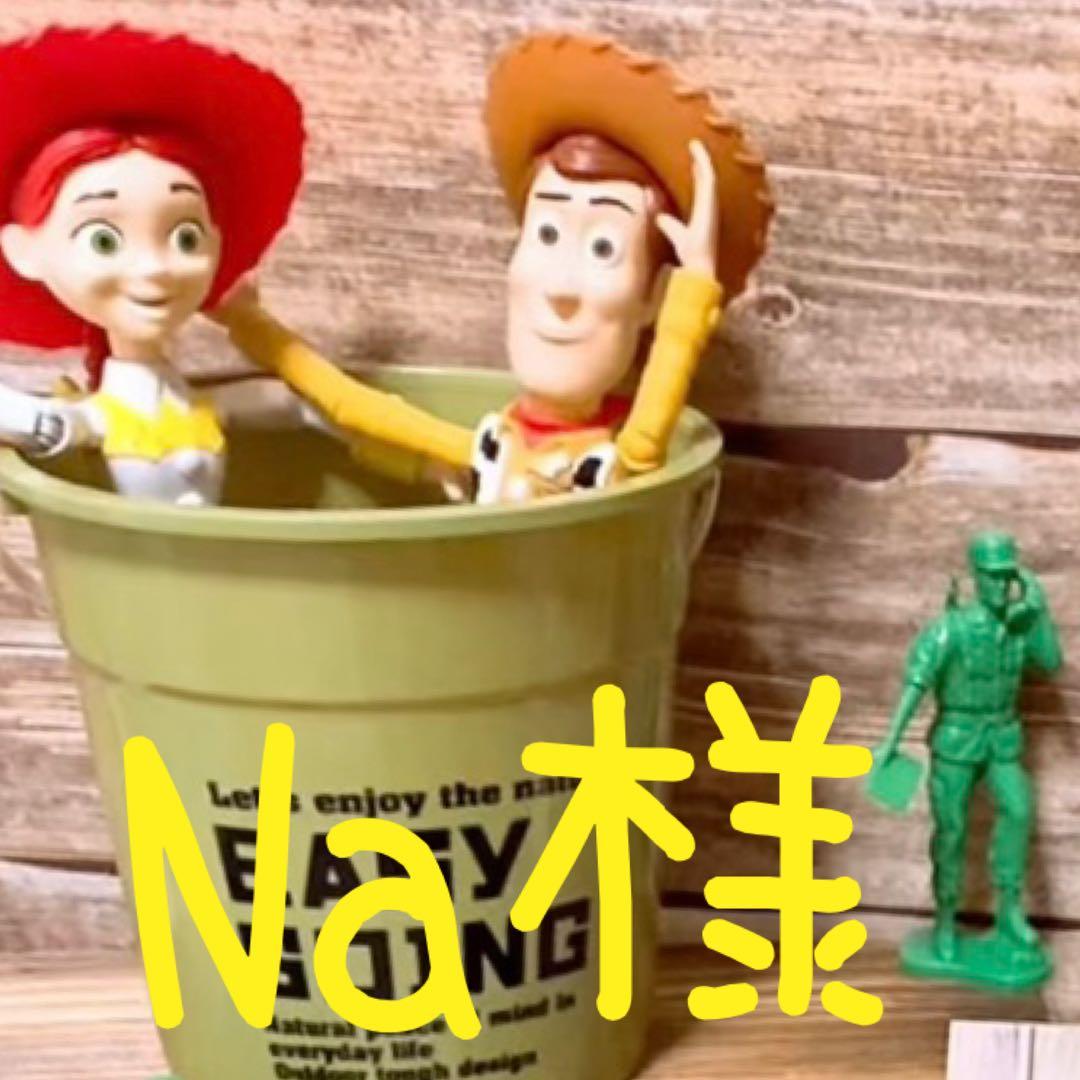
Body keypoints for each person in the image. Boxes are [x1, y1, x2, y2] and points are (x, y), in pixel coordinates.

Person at [214, 33, 773, 502]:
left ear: (655, 297)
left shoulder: (606, 466)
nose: (560, 286)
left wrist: (696, 285)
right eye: (546, 235)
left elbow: (645, 443)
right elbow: (353, 406)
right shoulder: (489, 449)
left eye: (604, 248)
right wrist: (250, 324)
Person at [0, 25, 335, 506]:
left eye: (185, 237)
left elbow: (301, 406)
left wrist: (409, 449)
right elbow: (41, 421)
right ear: (22, 251)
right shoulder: (99, 419)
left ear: (217, 239)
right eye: (103, 240)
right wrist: (36, 422)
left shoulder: (201, 408)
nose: (155, 268)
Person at [874, 531, 1062, 975]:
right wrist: (891, 741)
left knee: (1018, 808)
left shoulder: (1018, 627)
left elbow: (1051, 662)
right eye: (992, 577)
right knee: (952, 832)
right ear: (975, 578)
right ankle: (945, 919)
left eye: (1007, 576)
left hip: (1001, 738)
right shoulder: (950, 629)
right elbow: (917, 683)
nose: (1000, 585)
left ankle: (1009, 910)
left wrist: (1038, 609)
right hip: (957, 740)